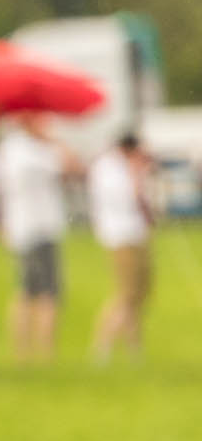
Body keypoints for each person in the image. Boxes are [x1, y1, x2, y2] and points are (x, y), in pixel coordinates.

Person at [0, 113, 70, 362]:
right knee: (42, 291)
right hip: (36, 228)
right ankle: (41, 351)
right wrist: (53, 141)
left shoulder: (9, 149)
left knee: (29, 290)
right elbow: (68, 165)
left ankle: (27, 351)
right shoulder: (26, 150)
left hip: (27, 228)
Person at [89, 131, 154, 362]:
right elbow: (129, 198)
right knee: (126, 293)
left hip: (136, 233)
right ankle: (102, 344)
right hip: (120, 236)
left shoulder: (121, 166)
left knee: (140, 293)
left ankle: (133, 345)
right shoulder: (108, 169)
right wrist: (136, 173)